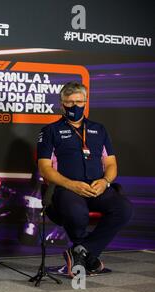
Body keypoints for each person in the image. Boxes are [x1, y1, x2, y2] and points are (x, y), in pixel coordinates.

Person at [37, 81, 133, 278]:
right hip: (66, 189)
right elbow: (45, 169)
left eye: (79, 102)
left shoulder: (100, 130)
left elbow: (112, 164)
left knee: (124, 208)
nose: (75, 106)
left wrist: (105, 182)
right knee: (77, 213)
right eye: (69, 102)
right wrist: (71, 184)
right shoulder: (50, 131)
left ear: (86, 103)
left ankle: (80, 254)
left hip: (97, 188)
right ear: (61, 104)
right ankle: (88, 259)